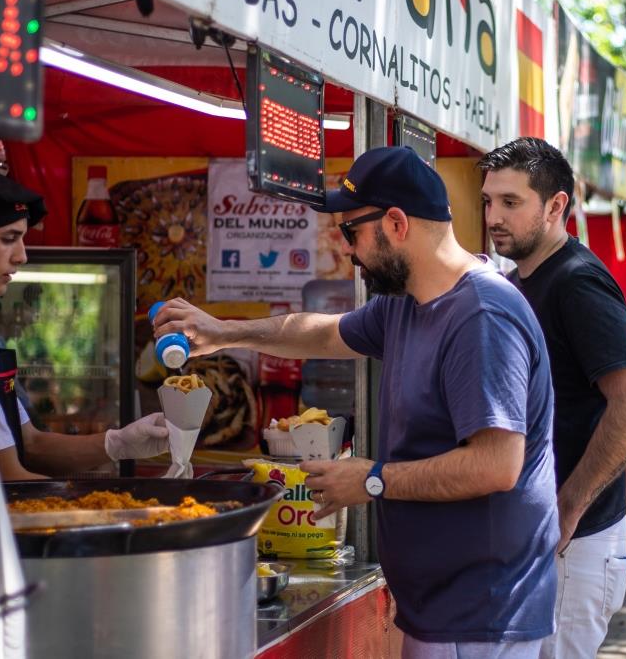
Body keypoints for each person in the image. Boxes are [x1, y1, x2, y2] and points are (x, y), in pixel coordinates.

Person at [154, 146, 558, 656]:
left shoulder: (481, 317)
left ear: (395, 223)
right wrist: (222, 332)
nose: (347, 250)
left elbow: (497, 465)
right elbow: (323, 334)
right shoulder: (408, 303)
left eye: (351, 232)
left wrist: (372, 478)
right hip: (446, 607)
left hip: (480, 614)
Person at [478, 137, 626, 659]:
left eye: (511, 203)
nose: (494, 216)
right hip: (538, 539)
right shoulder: (520, 280)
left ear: (557, 205)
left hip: (576, 545)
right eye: (489, 201)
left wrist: (569, 505)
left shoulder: (576, 281)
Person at [0, 166, 168, 488]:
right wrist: (104, 511)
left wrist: (120, 443)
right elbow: (7, 482)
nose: (22, 256)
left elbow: (31, 445)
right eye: (9, 239)